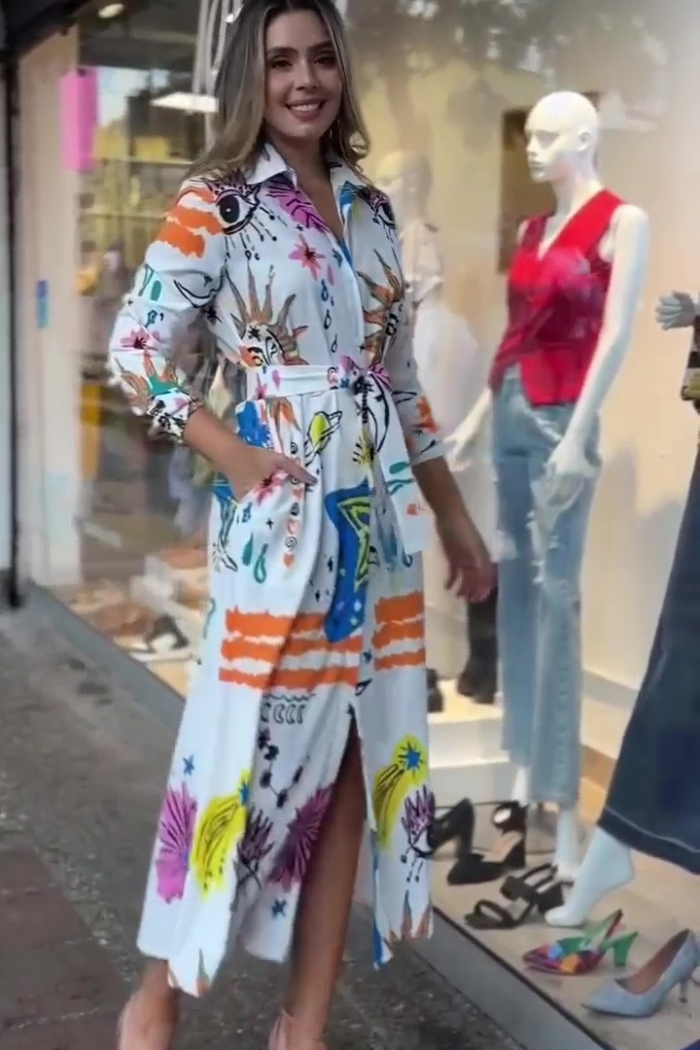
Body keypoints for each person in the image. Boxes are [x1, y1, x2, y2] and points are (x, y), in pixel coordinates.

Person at [109, 0, 492, 1046]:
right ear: (252, 76)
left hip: (377, 532)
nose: (305, 80)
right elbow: (136, 352)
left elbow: (399, 385)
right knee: (246, 759)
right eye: (281, 62)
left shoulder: (373, 210)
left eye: (322, 58)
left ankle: (303, 1028)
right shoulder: (218, 202)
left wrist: (455, 517)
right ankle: (158, 994)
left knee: (354, 769)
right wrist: (231, 453)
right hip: (280, 535)